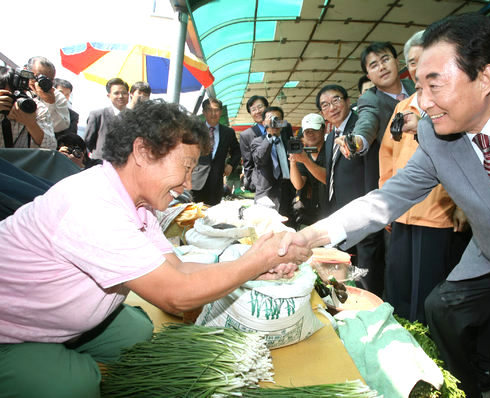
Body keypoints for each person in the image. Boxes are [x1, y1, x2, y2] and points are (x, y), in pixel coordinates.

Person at [284, 13, 490, 398]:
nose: (423, 103)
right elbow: (388, 198)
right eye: (419, 86)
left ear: (486, 78)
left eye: (435, 85)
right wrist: (311, 235)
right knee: (441, 308)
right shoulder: (435, 130)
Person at [0, 100, 310, 398]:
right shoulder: (92, 206)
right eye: (185, 167)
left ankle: (61, 345)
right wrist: (257, 260)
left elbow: (179, 269)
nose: (187, 183)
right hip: (9, 332)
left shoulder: (137, 204)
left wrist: (252, 264)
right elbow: (176, 296)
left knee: (136, 335)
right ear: (143, 151)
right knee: (73, 385)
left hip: (60, 321)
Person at [378, 29, 468, 324]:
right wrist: (385, 202)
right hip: (402, 209)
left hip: (437, 210)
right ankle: (400, 336)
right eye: (413, 63)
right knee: (399, 282)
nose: (418, 68)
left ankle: (427, 346)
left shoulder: (449, 104)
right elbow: (387, 156)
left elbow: (463, 157)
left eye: (424, 60)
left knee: (429, 286)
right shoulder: (402, 107)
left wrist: (460, 204)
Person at [319, 84, 385, 296]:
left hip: (362, 212)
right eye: (325, 105)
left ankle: (374, 308)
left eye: (336, 100)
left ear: (348, 101)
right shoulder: (330, 137)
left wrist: (373, 210)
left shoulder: (362, 129)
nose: (332, 107)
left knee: (367, 272)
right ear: (322, 113)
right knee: (346, 270)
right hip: (340, 213)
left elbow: (371, 171)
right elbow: (331, 176)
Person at [336, 41, 416, 159]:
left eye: (385, 60)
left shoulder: (417, 86)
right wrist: (356, 141)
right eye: (374, 65)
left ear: (397, 62)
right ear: (369, 76)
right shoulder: (370, 99)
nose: (382, 67)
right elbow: (367, 123)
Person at [191, 98, 241, 206]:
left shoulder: (228, 132)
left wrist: (231, 165)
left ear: (221, 112)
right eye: (209, 110)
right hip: (195, 183)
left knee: (212, 217)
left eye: (216, 110)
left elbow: (237, 151)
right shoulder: (195, 130)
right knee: (193, 215)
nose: (213, 114)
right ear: (204, 112)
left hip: (216, 183)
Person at [250, 106, 292, 214]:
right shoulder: (257, 142)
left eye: (277, 119)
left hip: (287, 195)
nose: (275, 122)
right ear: (264, 122)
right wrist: (270, 136)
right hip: (266, 196)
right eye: (271, 118)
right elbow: (259, 160)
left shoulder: (289, 142)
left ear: (282, 122)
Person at [0, 66, 55, 149]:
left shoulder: (35, 108)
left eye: (13, 95)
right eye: (5, 95)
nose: (9, 99)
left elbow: (50, 147)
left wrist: (31, 123)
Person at [289, 113, 327, 228]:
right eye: (307, 131)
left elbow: (328, 179)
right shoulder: (304, 154)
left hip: (330, 210)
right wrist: (293, 162)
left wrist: (305, 160)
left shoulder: (331, 150)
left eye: (314, 130)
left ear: (323, 130)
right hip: (310, 211)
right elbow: (298, 184)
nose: (310, 134)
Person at [85, 77, 129, 160]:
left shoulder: (134, 117)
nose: (121, 96)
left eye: (124, 93)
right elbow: (87, 142)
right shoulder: (98, 115)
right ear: (109, 95)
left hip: (125, 164)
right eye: (116, 93)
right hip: (101, 163)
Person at [26, 56, 70, 133]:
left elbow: (58, 127)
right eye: (38, 77)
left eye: (48, 80)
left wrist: (50, 103)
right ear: (28, 72)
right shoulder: (16, 87)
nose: (42, 82)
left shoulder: (58, 97)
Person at [239, 95, 269, 192]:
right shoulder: (246, 136)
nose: (257, 111)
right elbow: (248, 165)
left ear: (267, 108)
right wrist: (254, 185)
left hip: (285, 183)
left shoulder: (283, 128)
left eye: (260, 107)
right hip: (262, 186)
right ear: (251, 113)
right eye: (253, 109)